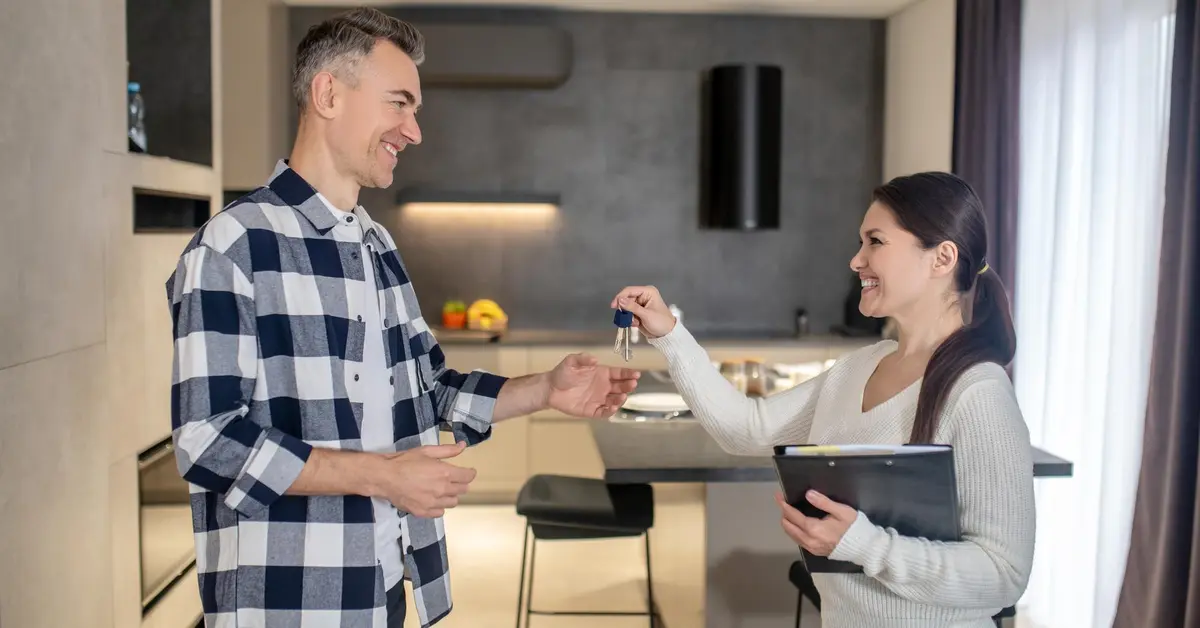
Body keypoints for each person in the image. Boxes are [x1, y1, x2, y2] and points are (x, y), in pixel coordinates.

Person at [166, 8, 640, 628]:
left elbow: (430, 390)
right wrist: (382, 477)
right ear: (328, 94)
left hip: (384, 585)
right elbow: (206, 440)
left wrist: (545, 389)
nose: (413, 131)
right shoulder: (233, 245)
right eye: (399, 104)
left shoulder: (375, 244)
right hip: (290, 602)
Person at [611, 171, 1035, 627]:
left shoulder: (978, 392)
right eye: (860, 243)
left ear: (942, 258)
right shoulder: (859, 367)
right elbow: (746, 429)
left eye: (875, 242)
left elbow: (1004, 574)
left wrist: (864, 545)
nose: (856, 260)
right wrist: (670, 335)